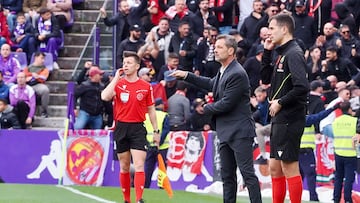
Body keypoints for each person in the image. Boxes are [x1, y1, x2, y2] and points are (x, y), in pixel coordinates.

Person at [171, 34, 262, 203]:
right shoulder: (224, 70)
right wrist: (187, 75)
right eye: (215, 46)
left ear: (230, 50)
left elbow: (227, 103)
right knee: (227, 176)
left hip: (239, 131)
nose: (215, 49)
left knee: (247, 174)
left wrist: (204, 108)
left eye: (219, 47)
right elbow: (210, 83)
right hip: (226, 130)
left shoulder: (237, 73)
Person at [261, 14, 309, 203]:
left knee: (289, 165)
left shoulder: (294, 53)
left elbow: (302, 87)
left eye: (272, 28)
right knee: (274, 166)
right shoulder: (281, 52)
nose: (268, 32)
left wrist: (280, 102)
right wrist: (266, 53)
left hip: (290, 117)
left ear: (284, 29)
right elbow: (264, 80)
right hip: (279, 118)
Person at [101, 51, 160, 203]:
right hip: (121, 127)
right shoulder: (119, 84)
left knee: (139, 165)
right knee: (125, 166)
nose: (125, 65)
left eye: (129, 63)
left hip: (138, 128)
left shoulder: (146, 86)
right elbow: (105, 96)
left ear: (137, 66)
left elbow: (151, 110)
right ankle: (127, 200)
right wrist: (115, 78)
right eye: (124, 63)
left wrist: (156, 130)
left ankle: (139, 199)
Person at [332, 101, 359, 203]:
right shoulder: (355, 121)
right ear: (349, 109)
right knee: (349, 179)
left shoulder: (336, 121)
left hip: (338, 153)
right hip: (351, 154)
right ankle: (347, 199)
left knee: (338, 178)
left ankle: (336, 199)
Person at [144, 98, 170, 188]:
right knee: (161, 167)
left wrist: (148, 142)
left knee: (148, 167)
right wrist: (159, 142)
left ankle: (145, 185)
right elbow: (166, 130)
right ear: (160, 105)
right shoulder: (164, 115)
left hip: (149, 145)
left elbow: (142, 130)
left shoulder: (147, 116)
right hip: (162, 146)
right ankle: (162, 186)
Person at [74, 65, 105, 129]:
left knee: (99, 135)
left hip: (97, 114)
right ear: (95, 75)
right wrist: (74, 108)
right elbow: (74, 96)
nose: (101, 76)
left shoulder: (102, 86)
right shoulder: (84, 85)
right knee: (77, 129)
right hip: (85, 113)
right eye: (100, 74)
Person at [23, 51, 50, 118]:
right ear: (36, 57)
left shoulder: (45, 69)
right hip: (27, 85)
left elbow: (43, 78)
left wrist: (35, 76)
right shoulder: (28, 67)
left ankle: (44, 111)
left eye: (44, 58)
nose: (43, 60)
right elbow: (24, 75)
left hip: (37, 84)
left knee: (45, 90)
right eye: (41, 58)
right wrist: (31, 75)